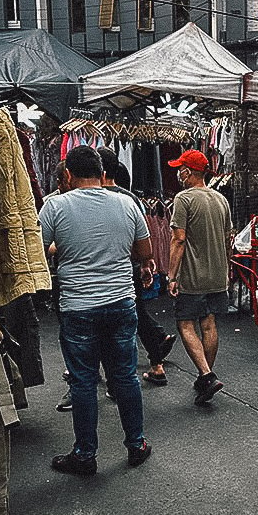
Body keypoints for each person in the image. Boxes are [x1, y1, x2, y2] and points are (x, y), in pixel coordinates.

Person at [38, 146, 153, 475]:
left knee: (84, 382)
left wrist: (64, 245)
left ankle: (85, 454)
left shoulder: (55, 206)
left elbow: (38, 249)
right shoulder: (126, 203)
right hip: (120, 302)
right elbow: (143, 251)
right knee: (125, 376)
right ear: (102, 173)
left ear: (69, 176)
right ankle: (136, 444)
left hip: (78, 305)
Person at [99, 148, 177, 386]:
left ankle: (114, 377)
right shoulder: (130, 199)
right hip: (129, 266)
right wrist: (145, 264)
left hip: (106, 271)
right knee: (136, 313)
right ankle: (156, 363)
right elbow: (143, 236)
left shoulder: (90, 198)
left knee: (115, 322)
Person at [166, 149, 233, 405]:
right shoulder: (221, 199)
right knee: (209, 323)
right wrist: (226, 269)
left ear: (189, 171)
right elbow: (228, 239)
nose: (178, 173)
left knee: (185, 323)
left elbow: (178, 239)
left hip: (193, 276)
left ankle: (206, 374)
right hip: (217, 274)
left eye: (180, 168)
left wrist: (171, 276)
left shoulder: (184, 199)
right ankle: (205, 376)